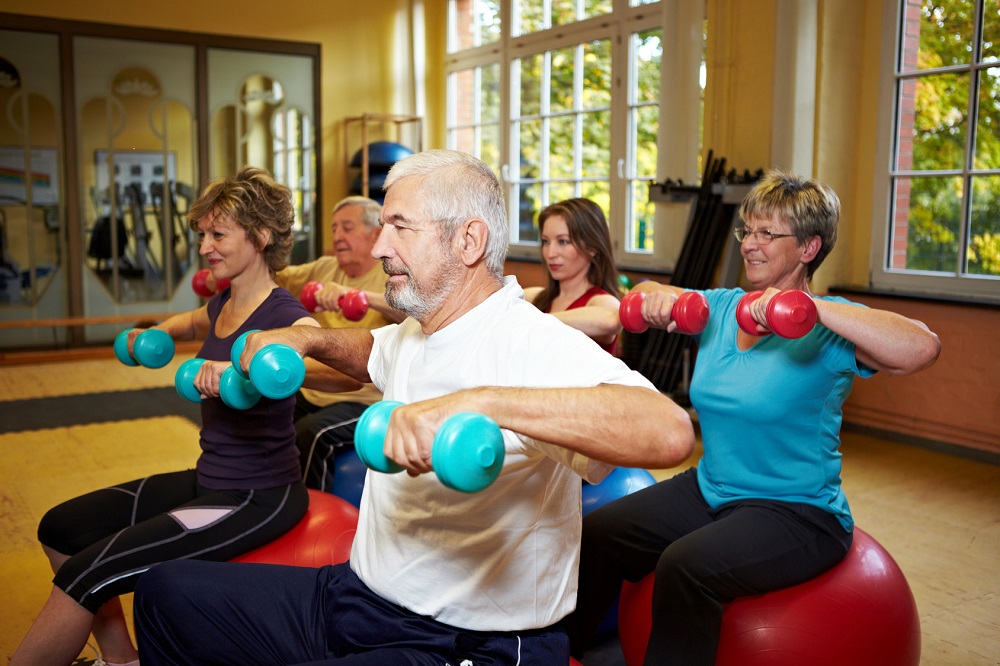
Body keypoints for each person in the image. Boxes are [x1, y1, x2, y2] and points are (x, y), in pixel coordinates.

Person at [131, 149, 697, 665]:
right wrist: (308, 340)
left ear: (468, 241)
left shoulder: (531, 340)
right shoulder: (419, 327)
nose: (379, 248)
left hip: (470, 641)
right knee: (166, 593)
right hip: (358, 598)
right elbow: (371, 351)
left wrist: (477, 402)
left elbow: (667, 431)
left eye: (400, 227)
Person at [562, 169, 942, 665]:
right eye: (747, 231)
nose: (749, 244)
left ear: (808, 248)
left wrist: (812, 309)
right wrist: (653, 298)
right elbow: (659, 290)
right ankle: (559, 651)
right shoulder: (723, 308)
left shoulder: (829, 327)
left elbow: (922, 347)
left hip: (798, 512)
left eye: (768, 233)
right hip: (712, 489)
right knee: (599, 533)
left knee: (685, 566)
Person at [10, 166, 336, 666]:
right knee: (59, 528)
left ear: (262, 236)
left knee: (86, 574)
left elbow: (344, 375)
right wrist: (152, 333)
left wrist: (262, 365)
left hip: (260, 496)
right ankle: (122, 661)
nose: (205, 245)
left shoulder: (284, 315)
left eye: (218, 234)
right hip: (209, 479)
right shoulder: (222, 302)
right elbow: (190, 321)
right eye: (203, 233)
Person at [274, 195, 404, 491]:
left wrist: (356, 296)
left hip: (363, 399)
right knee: (262, 411)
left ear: (375, 233)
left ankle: (306, 513)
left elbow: (413, 314)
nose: (337, 236)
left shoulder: (393, 272)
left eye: (347, 227)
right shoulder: (324, 268)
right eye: (334, 229)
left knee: (311, 435)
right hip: (317, 390)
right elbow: (276, 277)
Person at [522, 197, 622, 354]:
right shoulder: (535, 297)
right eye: (546, 241)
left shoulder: (601, 301)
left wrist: (534, 322)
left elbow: (611, 320)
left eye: (563, 241)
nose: (550, 253)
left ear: (591, 248)